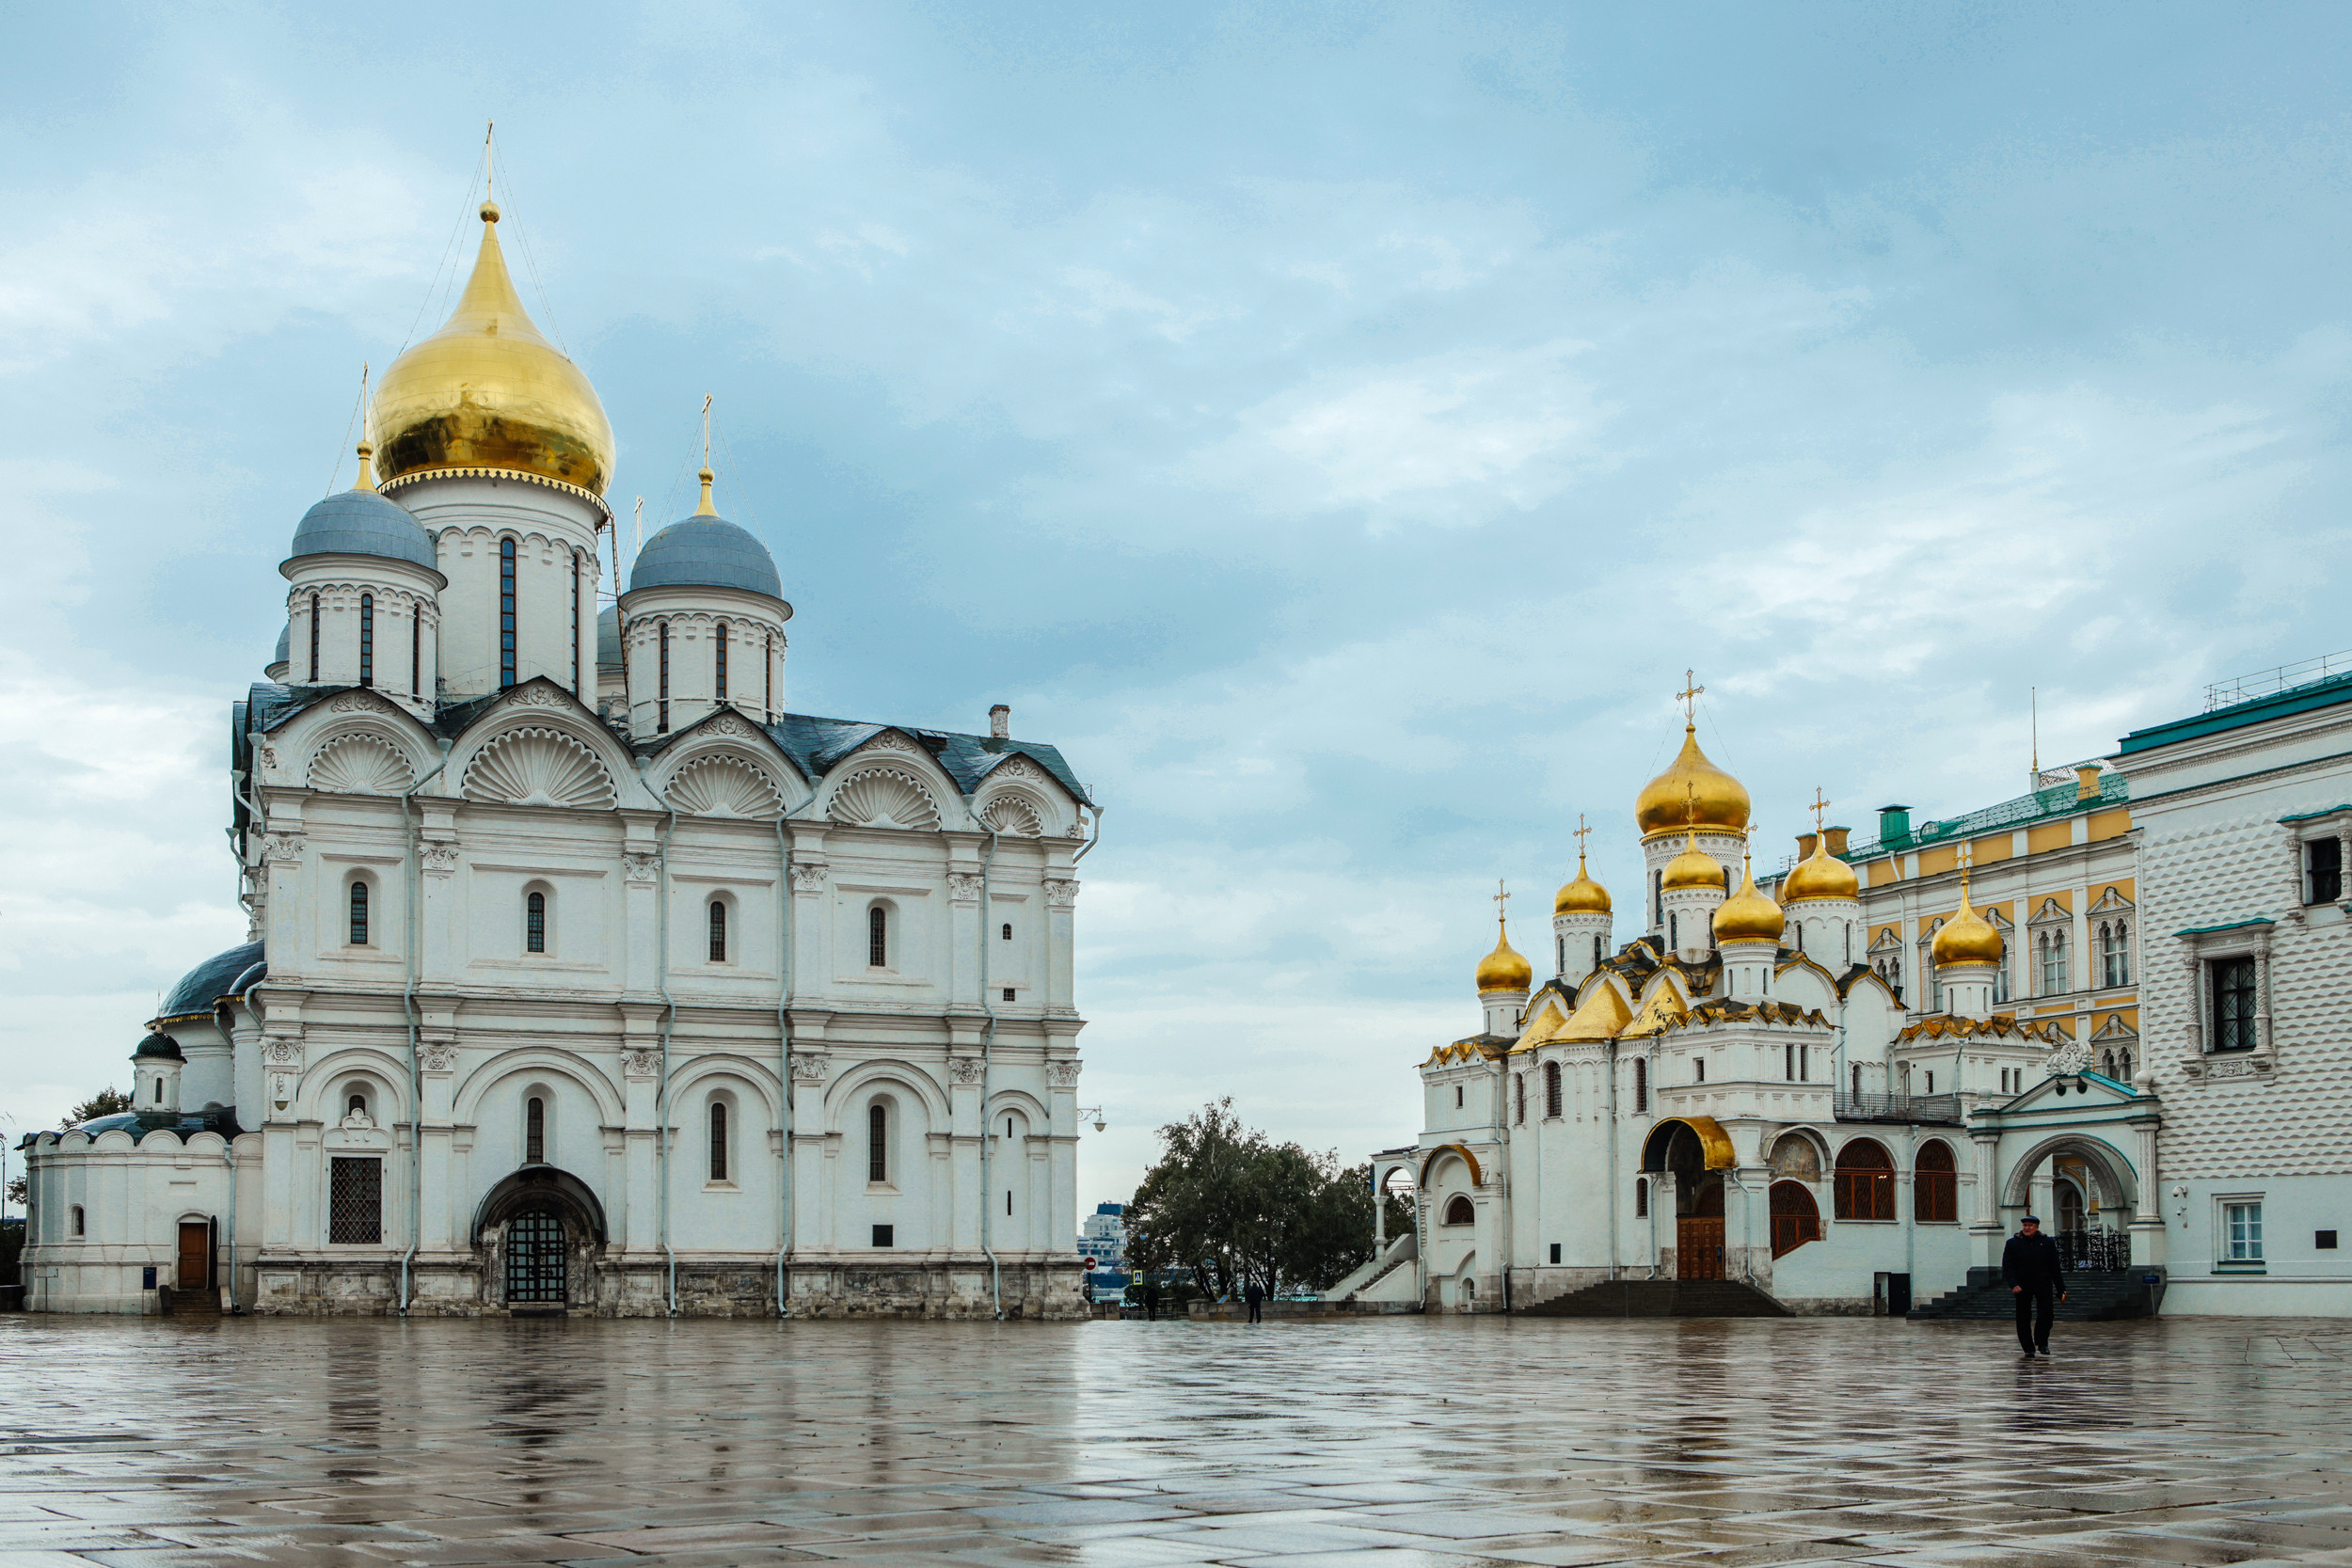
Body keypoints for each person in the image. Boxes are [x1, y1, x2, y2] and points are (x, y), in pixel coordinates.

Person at [2003, 1214, 2067, 1356]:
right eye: (2025, 1225)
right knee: (2023, 1317)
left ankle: (2042, 1343)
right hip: (2022, 1286)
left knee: (2046, 1314)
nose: (2027, 1228)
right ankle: (2028, 1348)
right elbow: (2007, 1266)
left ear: (2036, 1227)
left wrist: (2061, 1288)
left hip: (2043, 1283)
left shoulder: (2047, 1242)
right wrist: (2013, 1284)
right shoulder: (2013, 1243)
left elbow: (2055, 1267)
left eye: (2030, 1226)